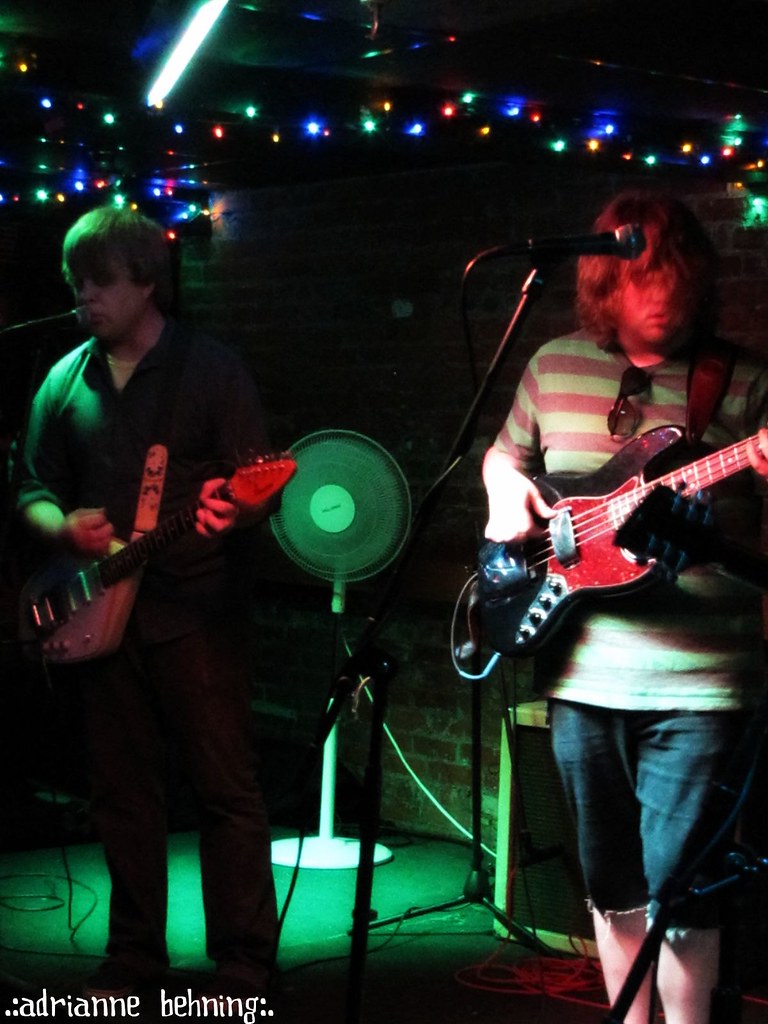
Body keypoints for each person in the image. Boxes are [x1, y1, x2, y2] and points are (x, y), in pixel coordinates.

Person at [483, 190, 768, 1024]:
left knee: (686, 890)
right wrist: (507, 500)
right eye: (646, 304)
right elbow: (504, 459)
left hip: (701, 683)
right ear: (608, 290)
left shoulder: (744, 382)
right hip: (581, 673)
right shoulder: (554, 364)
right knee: (611, 884)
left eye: (678, 306)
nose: (665, 321)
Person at [15, 206, 279, 1002]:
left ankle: (242, 958)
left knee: (224, 785)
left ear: (145, 282)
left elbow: (258, 483)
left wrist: (240, 509)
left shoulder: (212, 370)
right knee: (122, 789)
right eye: (75, 284)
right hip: (98, 618)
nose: (82, 298)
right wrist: (60, 525)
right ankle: (134, 953)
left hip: (196, 609)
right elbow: (26, 486)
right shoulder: (65, 378)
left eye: (97, 283)